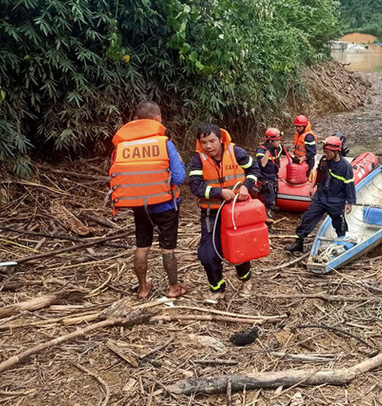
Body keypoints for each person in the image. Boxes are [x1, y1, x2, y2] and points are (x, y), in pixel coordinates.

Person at [108, 101, 186, 299]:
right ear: (157, 118)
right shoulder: (164, 144)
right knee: (167, 248)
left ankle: (143, 288)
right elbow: (178, 178)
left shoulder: (123, 147)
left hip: (139, 206)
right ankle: (173, 288)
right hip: (165, 205)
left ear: (136, 120)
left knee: (142, 247)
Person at [188, 123, 261, 299]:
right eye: (204, 142)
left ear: (220, 140)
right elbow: (195, 186)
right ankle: (217, 289)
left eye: (212, 141)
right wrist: (219, 192)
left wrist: (246, 186)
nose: (208, 146)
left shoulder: (237, 153)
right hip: (211, 213)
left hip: (237, 211)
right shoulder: (198, 159)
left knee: (239, 248)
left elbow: (254, 170)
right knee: (207, 255)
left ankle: (246, 281)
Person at [285, 136, 356, 253]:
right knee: (307, 218)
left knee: (339, 222)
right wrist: (312, 187)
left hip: (336, 199)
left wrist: (350, 202)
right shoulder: (324, 161)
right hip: (321, 196)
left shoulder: (345, 167)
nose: (326, 154)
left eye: (328, 152)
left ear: (336, 151)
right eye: (325, 152)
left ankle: (341, 242)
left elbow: (349, 185)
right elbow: (318, 174)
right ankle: (298, 242)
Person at [255, 127, 286, 220]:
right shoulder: (261, 150)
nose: (279, 142)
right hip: (266, 179)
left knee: (273, 197)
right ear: (270, 141)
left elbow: (285, 152)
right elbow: (262, 164)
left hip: (273, 177)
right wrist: (268, 151)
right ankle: (267, 223)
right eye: (277, 140)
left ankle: (271, 212)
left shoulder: (277, 148)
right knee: (269, 202)